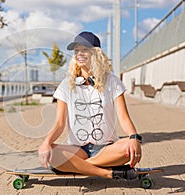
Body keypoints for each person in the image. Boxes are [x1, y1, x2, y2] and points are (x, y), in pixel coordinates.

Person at [38, 31, 142, 180]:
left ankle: (79, 166)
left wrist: (134, 138)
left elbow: (124, 118)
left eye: (85, 49)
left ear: (96, 53)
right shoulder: (66, 85)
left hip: (107, 149)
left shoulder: (112, 81)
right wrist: (46, 143)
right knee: (50, 152)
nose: (79, 54)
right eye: (76, 51)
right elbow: (59, 123)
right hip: (77, 149)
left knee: (128, 147)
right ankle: (108, 173)